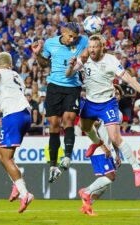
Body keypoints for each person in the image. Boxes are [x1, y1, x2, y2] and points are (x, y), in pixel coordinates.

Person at [67, 35, 140, 187]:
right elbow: (69, 74)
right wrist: (71, 66)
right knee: (84, 127)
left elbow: (129, 80)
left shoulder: (111, 60)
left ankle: (136, 168)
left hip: (107, 103)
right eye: (90, 46)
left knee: (115, 138)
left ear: (101, 47)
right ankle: (97, 143)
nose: (91, 49)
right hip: (90, 102)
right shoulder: (84, 59)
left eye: (95, 46)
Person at [31, 22, 88, 183]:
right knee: (54, 124)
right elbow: (44, 64)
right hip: (54, 86)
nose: (73, 40)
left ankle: (68, 157)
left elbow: (93, 47)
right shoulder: (50, 43)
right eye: (70, 36)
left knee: (68, 119)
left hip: (73, 87)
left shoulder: (83, 41)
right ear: (63, 32)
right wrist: (37, 54)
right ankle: (53, 164)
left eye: (75, 37)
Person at [0, 52, 33, 213]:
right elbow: (12, 98)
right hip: (24, 113)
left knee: (6, 157)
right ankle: (16, 183)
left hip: (14, 115)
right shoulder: (17, 76)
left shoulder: (0, 72)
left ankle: (24, 193)